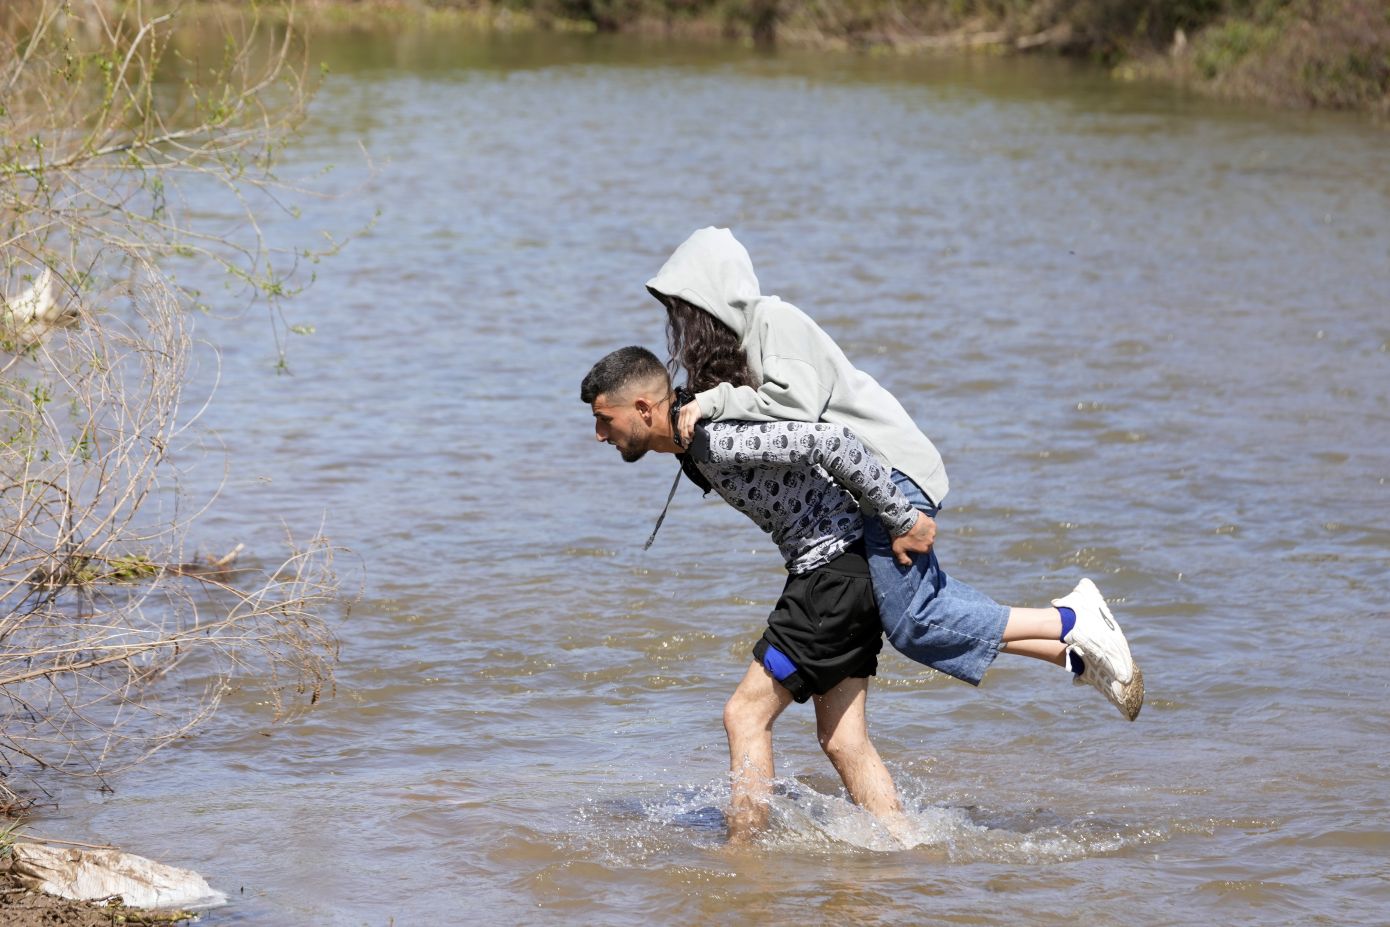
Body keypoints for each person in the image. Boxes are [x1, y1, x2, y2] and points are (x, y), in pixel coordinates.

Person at [647, 227, 1143, 721]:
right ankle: (1074, 653)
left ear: (708, 295)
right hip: (883, 472)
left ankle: (1072, 620)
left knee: (913, 622)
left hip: (892, 469)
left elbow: (793, 409)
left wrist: (713, 400)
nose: (679, 327)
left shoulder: (774, 321)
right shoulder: (753, 338)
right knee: (930, 604)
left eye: (680, 310)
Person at [581, 346, 922, 844]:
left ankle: (743, 860)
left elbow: (834, 443)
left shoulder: (713, 436)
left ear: (643, 409)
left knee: (745, 714)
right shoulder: (692, 434)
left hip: (830, 575)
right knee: (844, 741)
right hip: (843, 574)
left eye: (604, 420)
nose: (599, 435)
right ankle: (907, 851)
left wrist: (903, 519)